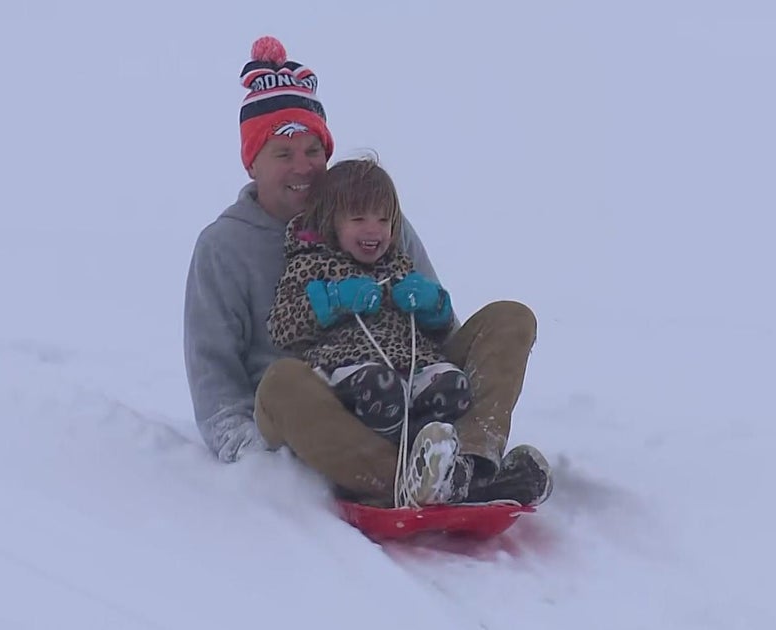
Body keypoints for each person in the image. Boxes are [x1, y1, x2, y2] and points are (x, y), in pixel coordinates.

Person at [183, 35, 552, 508]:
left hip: (404, 388)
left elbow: (440, 334)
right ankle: (400, 482)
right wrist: (258, 463)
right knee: (282, 381)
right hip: (315, 416)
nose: (304, 167)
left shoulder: (375, 222)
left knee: (510, 317)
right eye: (283, 154)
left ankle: (472, 462)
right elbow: (214, 385)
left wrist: (433, 310)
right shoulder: (223, 247)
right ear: (253, 162)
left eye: (313, 150)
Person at [267, 156, 475, 504]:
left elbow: (440, 330)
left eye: (383, 220)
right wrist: (333, 301)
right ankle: (394, 469)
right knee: (380, 389)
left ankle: (438, 457)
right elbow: (282, 327)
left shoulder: (399, 263)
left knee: (452, 386)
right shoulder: (309, 264)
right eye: (358, 218)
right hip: (347, 368)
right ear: (332, 221)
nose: (373, 230)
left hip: (412, 366)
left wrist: (433, 307)